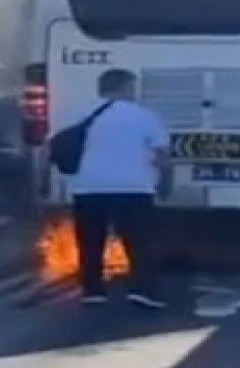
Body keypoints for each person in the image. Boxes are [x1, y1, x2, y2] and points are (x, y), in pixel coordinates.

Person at [70, 68, 171, 308]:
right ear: (126, 88)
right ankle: (143, 289)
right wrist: (166, 182)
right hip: (133, 187)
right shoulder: (144, 116)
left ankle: (93, 290)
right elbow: (162, 154)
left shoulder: (83, 115)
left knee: (91, 241)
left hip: (88, 187)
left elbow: (57, 146)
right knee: (138, 242)